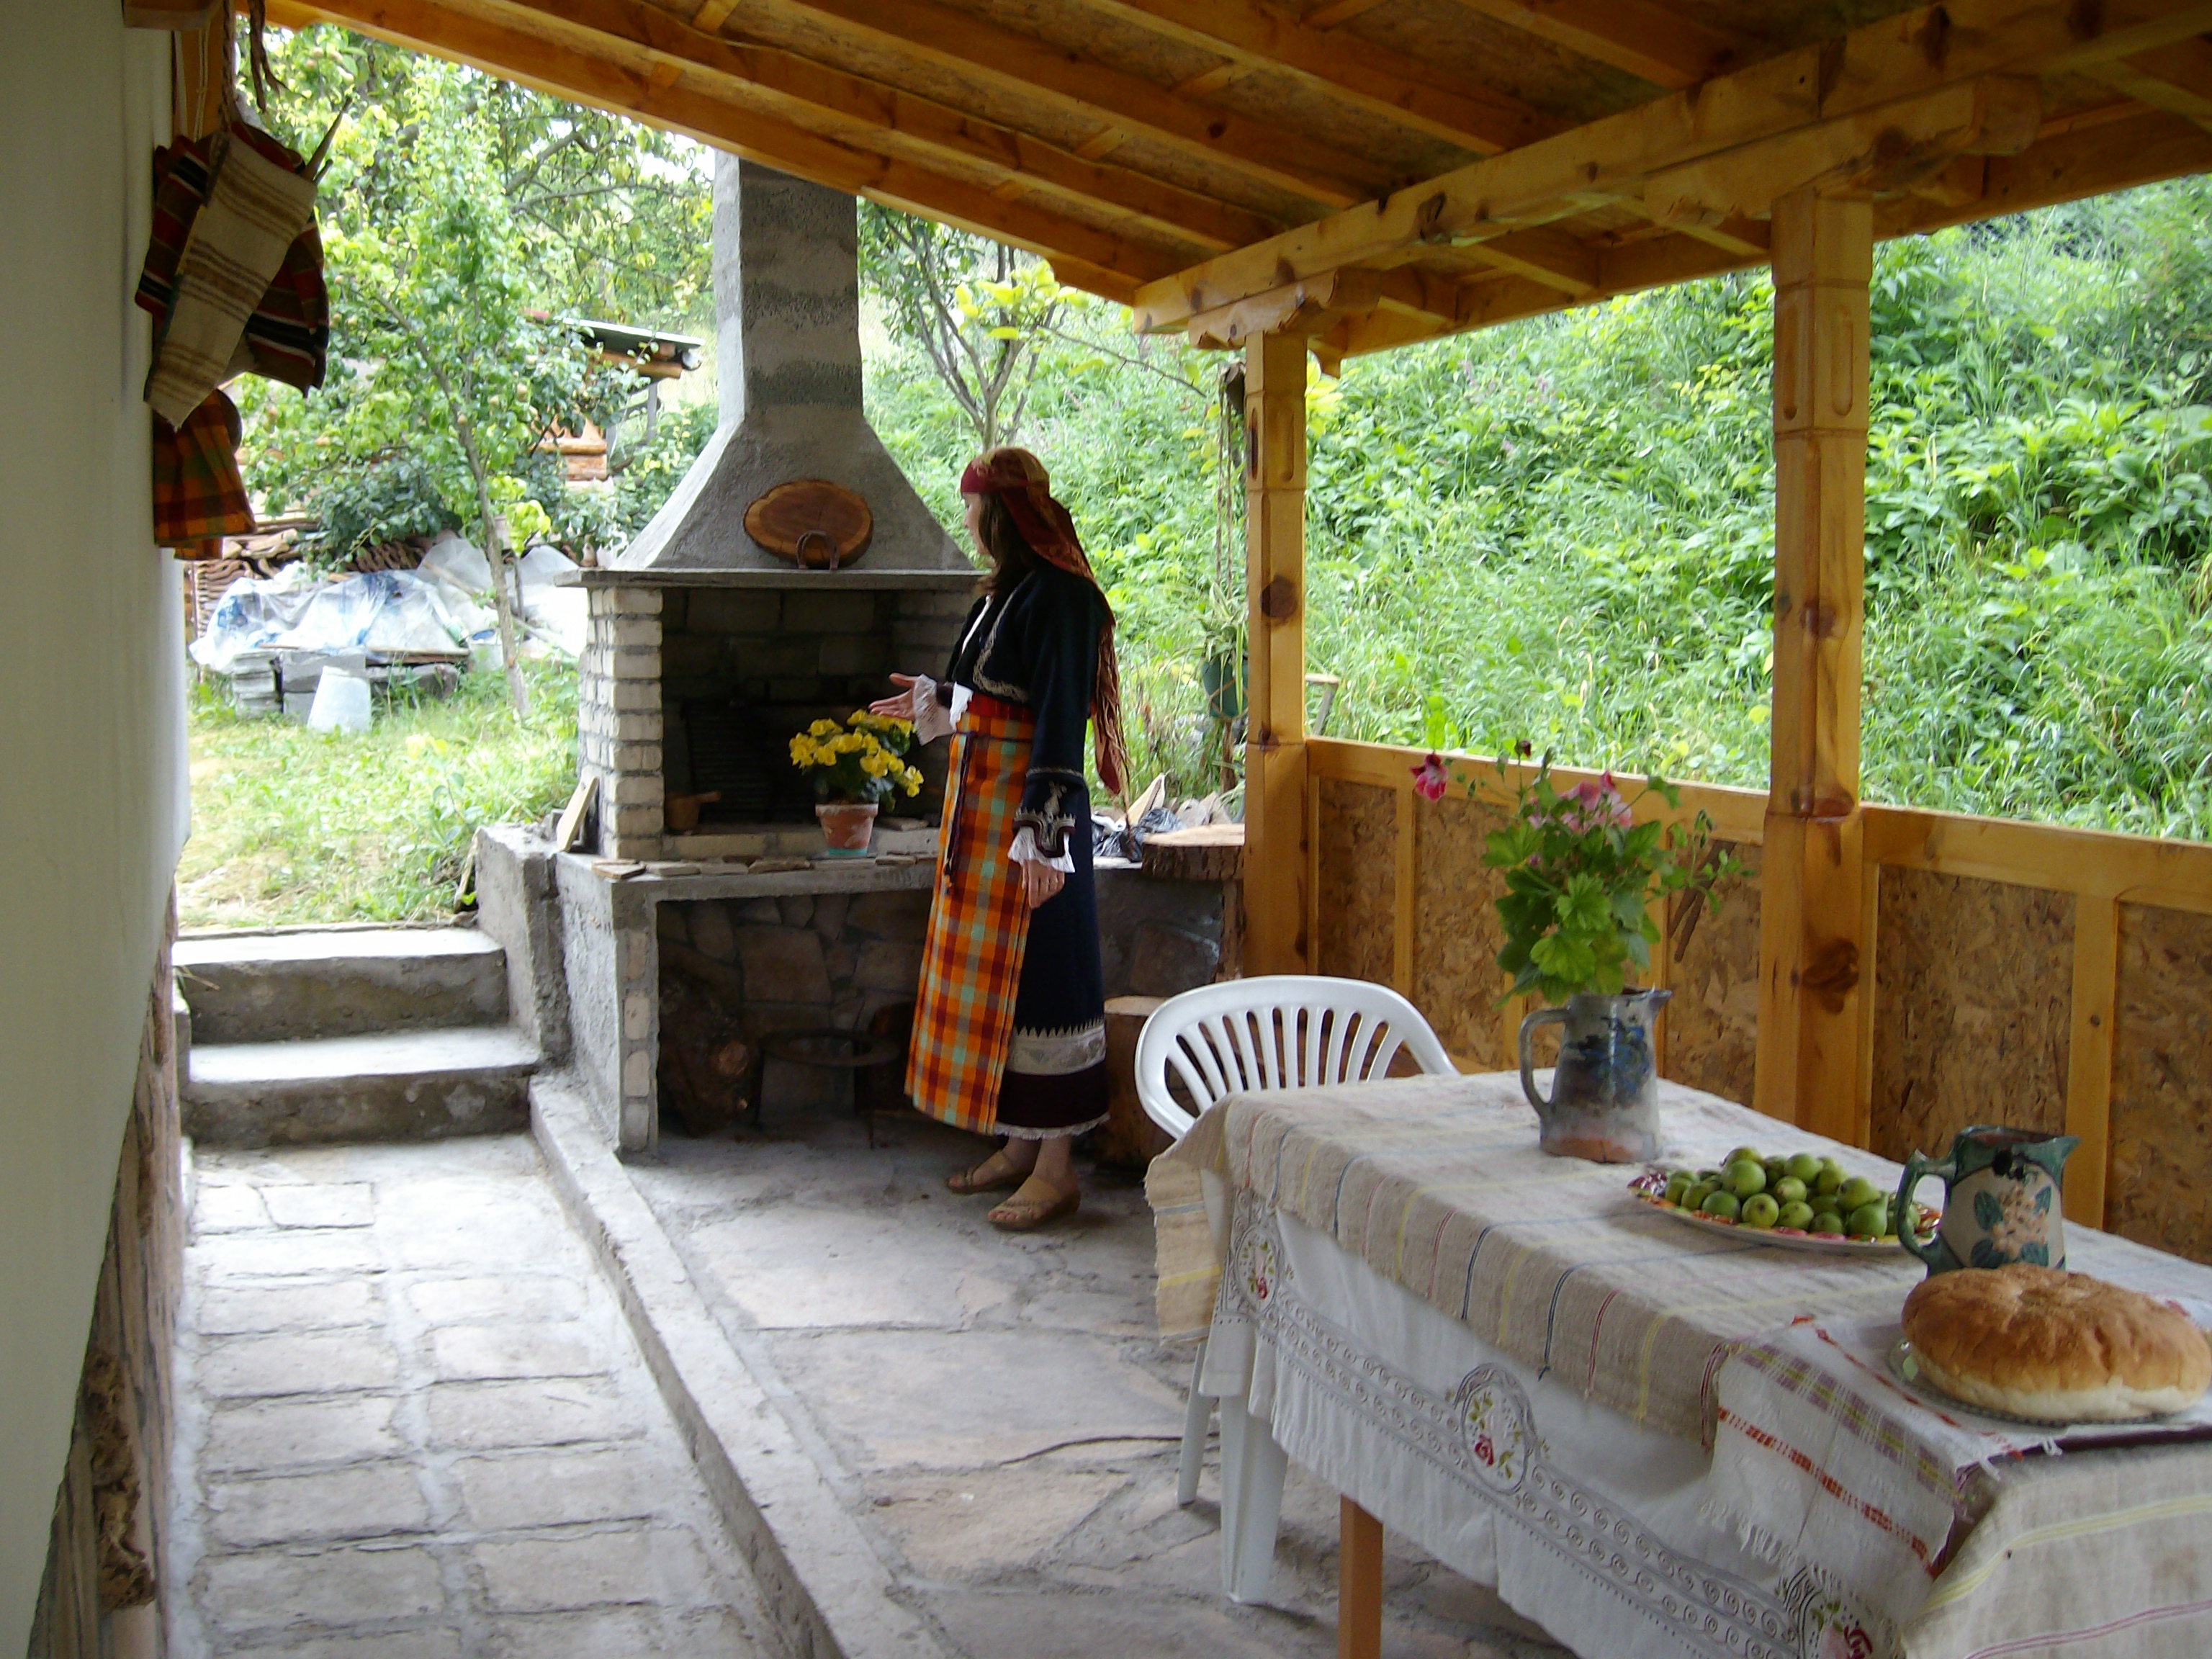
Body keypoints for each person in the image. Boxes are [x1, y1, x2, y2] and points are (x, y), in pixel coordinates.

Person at [869, 447, 1128, 1231]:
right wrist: (936, 699)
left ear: (1003, 513)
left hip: (1033, 823)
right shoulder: (1006, 594)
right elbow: (992, 698)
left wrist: (1044, 839)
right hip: (985, 819)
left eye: (973, 507)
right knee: (1005, 994)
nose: (967, 520)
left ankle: (1057, 1171)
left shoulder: (1064, 598)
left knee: (1045, 985)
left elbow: (1056, 722)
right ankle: (1020, 1147)